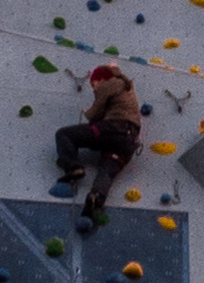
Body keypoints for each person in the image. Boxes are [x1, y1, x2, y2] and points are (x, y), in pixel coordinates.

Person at [53, 64, 141, 225]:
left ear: (100, 79)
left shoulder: (109, 84)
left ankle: (73, 167)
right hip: (128, 142)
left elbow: (95, 112)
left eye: (93, 85)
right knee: (107, 172)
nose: (94, 89)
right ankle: (94, 202)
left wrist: (85, 112)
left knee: (64, 134)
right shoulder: (127, 87)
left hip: (111, 130)